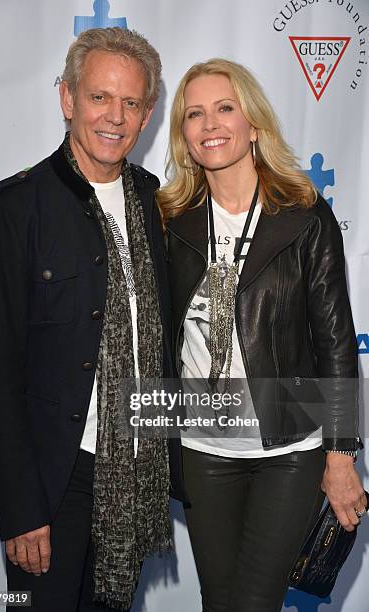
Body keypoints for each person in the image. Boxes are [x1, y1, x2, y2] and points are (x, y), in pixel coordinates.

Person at [0, 27, 185, 612]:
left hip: (134, 473)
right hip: (52, 484)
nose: (114, 117)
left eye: (131, 102)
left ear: (147, 114)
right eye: (98, 98)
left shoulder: (152, 198)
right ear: (67, 99)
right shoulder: (16, 208)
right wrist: (21, 509)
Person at [157, 58, 366, 612]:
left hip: (289, 447)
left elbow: (336, 343)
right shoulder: (170, 219)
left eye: (225, 108)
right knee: (219, 602)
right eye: (194, 114)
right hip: (202, 447)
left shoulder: (303, 216)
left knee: (252, 602)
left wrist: (341, 455)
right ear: (183, 134)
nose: (210, 124)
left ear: (253, 122)